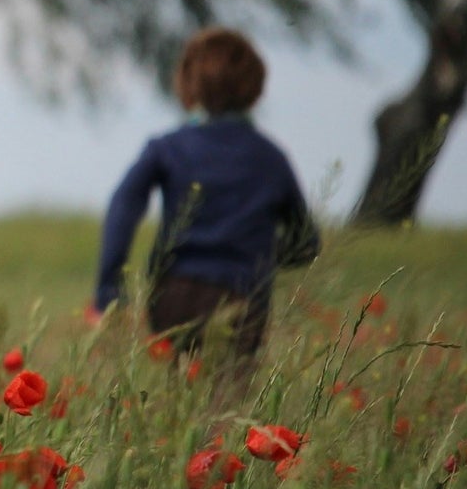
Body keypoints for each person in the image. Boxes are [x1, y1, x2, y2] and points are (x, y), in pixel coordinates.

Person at [91, 27, 320, 363]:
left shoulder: (167, 148)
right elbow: (306, 242)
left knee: (180, 396)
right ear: (254, 88)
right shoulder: (271, 158)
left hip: (174, 294)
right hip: (243, 296)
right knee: (228, 405)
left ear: (188, 83)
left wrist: (109, 291)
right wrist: (258, 256)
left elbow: (122, 208)